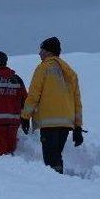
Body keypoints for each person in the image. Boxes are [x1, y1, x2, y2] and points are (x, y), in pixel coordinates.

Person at [20, 37, 84, 174]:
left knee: (50, 159)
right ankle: (60, 182)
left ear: (48, 51)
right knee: (56, 157)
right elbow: (77, 101)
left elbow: (33, 95)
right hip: (66, 123)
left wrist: (25, 116)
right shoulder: (70, 72)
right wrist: (78, 126)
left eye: (41, 50)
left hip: (49, 122)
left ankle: (55, 187)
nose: (39, 54)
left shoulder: (43, 68)